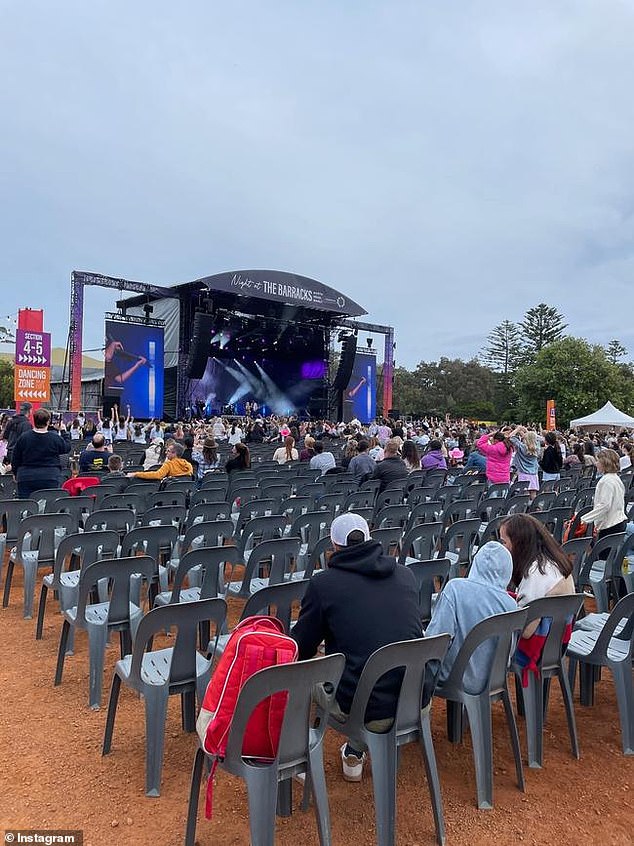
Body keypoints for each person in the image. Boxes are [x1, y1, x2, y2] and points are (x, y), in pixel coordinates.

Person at [291, 513, 422, 782]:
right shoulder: (406, 575)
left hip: (366, 709)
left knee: (300, 674)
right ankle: (354, 750)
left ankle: (296, 757)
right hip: (416, 699)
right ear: (370, 537)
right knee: (371, 661)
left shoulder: (323, 585)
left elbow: (300, 649)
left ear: (333, 545)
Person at [424, 541, 517, 693]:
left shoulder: (455, 589)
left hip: (451, 677)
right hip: (493, 679)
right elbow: (509, 652)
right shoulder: (511, 604)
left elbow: (436, 640)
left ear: (476, 563)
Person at [500, 513, 575, 679]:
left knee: (482, 646)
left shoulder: (534, 573)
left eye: (504, 542)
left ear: (519, 544)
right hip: (557, 644)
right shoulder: (556, 561)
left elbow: (525, 630)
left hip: (536, 650)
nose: (501, 548)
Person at [10, 408, 71, 498]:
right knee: (49, 506)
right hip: (50, 476)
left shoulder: (24, 437)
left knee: (26, 506)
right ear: (47, 422)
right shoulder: (54, 438)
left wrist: (15, 473)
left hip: (26, 476)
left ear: (34, 420)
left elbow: (15, 458)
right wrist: (63, 431)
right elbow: (67, 448)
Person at [582, 448, 627, 541]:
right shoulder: (616, 478)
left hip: (610, 526)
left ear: (605, 463)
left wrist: (584, 519)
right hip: (618, 522)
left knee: (603, 555)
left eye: (598, 461)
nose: (596, 463)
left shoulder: (606, 481)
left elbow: (604, 505)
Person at [127, 440, 193, 480]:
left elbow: (157, 475)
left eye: (168, 451)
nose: (165, 452)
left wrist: (136, 474)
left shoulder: (169, 464)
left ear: (174, 453)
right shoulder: (188, 465)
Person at [509, 426, 540, 499]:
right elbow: (537, 438)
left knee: (524, 495)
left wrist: (517, 429)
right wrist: (527, 432)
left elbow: (511, 437)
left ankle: (524, 509)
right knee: (533, 494)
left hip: (524, 474)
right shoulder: (537, 448)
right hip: (534, 474)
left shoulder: (522, 447)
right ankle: (535, 508)